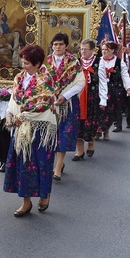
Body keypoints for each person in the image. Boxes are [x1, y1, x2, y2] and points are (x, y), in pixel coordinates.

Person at [3, 45, 57, 216]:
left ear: (37, 63)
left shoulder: (46, 79)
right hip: (21, 128)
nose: (23, 66)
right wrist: (10, 114)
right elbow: (14, 99)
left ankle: (44, 195)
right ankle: (26, 202)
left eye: (27, 63)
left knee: (41, 164)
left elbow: (43, 105)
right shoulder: (19, 78)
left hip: (40, 129)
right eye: (23, 62)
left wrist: (23, 116)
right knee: (23, 164)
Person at [46, 33, 83, 181]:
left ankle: (58, 168)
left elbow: (80, 83)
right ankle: (56, 164)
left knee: (63, 135)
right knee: (51, 135)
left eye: (60, 44)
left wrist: (64, 96)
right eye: (55, 44)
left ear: (66, 46)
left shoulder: (73, 62)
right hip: (51, 104)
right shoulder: (47, 61)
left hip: (68, 104)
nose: (57, 47)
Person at [71, 39, 107, 161]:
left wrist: (103, 99)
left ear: (92, 50)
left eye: (86, 49)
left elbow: (102, 82)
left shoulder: (99, 62)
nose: (83, 51)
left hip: (92, 97)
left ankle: (91, 143)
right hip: (79, 96)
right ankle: (79, 151)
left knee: (90, 122)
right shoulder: (77, 62)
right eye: (81, 49)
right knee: (78, 123)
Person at [99, 42, 130, 137]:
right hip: (102, 88)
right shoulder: (99, 61)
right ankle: (100, 130)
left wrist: (129, 88)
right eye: (103, 49)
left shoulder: (119, 61)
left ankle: (117, 125)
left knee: (116, 107)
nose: (104, 51)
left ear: (113, 50)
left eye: (107, 49)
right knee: (101, 109)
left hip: (115, 88)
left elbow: (125, 75)